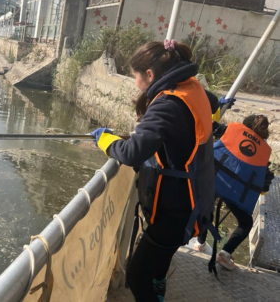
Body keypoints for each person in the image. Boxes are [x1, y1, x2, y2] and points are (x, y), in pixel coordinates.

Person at [91, 39, 216, 302]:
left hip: (176, 211)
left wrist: (106, 141)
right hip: (196, 199)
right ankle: (159, 289)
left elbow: (132, 153)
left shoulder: (167, 104)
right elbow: (212, 104)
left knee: (136, 276)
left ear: (149, 74)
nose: (135, 84)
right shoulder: (193, 87)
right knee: (160, 259)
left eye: (136, 77)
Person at [194, 114, 274, 270]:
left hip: (216, 181)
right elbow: (264, 187)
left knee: (206, 208)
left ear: (244, 125)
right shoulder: (264, 154)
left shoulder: (229, 130)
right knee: (246, 223)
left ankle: (200, 243)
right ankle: (225, 253)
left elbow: (205, 126)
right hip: (237, 194)